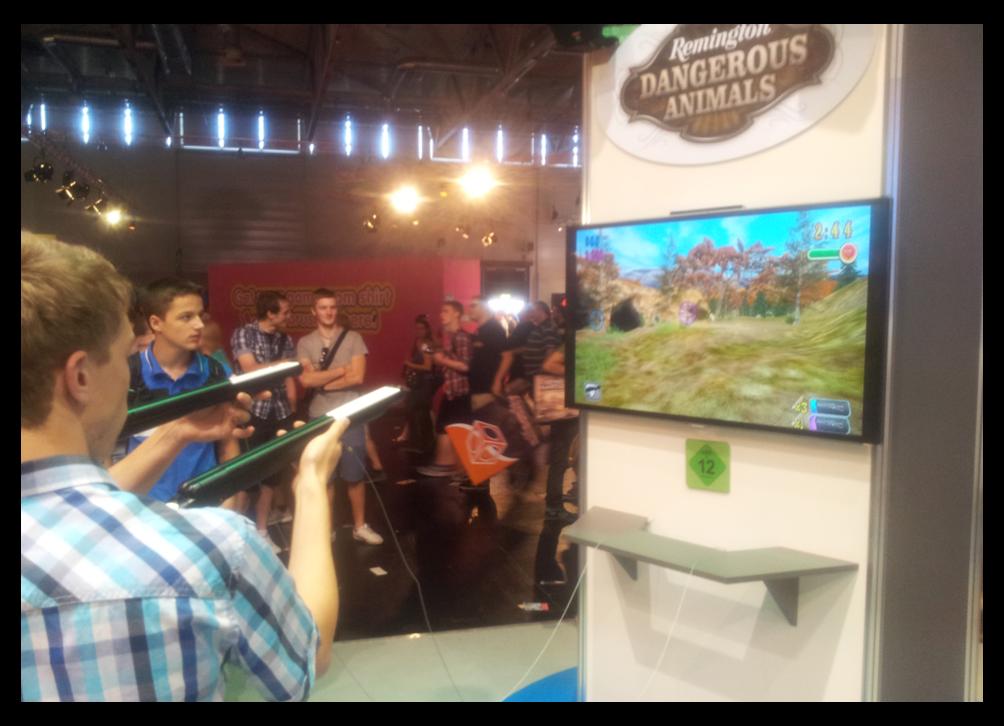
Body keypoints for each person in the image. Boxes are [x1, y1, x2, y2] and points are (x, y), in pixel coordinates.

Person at [21, 232, 343, 700]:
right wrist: (311, 481)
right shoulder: (212, 549)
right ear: (81, 376)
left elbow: (76, 507)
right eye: (125, 355)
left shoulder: (208, 372)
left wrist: (175, 433)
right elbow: (309, 653)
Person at [125, 278, 240, 503]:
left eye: (200, 316)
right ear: (156, 323)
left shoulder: (215, 372)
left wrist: (230, 502)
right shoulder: (128, 373)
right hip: (143, 504)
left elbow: (228, 442)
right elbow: (106, 447)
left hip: (205, 503)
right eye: (186, 317)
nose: (199, 325)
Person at [297, 288, 383, 545]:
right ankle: (327, 528)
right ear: (314, 311)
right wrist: (341, 370)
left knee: (355, 474)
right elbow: (306, 380)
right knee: (326, 476)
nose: (329, 312)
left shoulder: (353, 338)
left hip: (350, 414)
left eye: (332, 307)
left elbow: (357, 377)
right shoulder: (305, 343)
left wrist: (322, 381)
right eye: (323, 307)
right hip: (320, 416)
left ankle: (359, 526)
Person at [230, 291, 299, 537]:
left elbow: (289, 375)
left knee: (272, 476)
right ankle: (236, 532)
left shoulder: (285, 339)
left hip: (279, 412)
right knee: (246, 477)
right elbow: (250, 370)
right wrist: (282, 365)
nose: (289, 316)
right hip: (252, 412)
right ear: (270, 313)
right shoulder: (244, 334)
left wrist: (292, 406)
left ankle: (262, 531)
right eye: (285, 312)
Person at [419, 300, 472, 476]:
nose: (441, 315)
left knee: (452, 428)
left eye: (446, 311)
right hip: (452, 391)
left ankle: (450, 467)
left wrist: (442, 360)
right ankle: (448, 465)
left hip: (460, 392)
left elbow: (465, 366)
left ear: (457, 314)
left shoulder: (461, 337)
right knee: (446, 426)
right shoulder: (449, 338)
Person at [396, 314, 436, 453]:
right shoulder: (418, 342)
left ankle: (422, 443)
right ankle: (421, 442)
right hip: (417, 383)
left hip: (424, 383)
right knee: (416, 412)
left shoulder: (426, 344)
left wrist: (409, 364)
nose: (419, 331)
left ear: (427, 329)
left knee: (419, 412)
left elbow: (427, 367)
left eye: (421, 328)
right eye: (417, 328)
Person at [467, 296, 507, 413]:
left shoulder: (494, 329)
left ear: (484, 307)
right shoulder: (480, 330)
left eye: (473, 306)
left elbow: (507, 356)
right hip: (477, 388)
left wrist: (497, 382)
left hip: (487, 390)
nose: (469, 309)